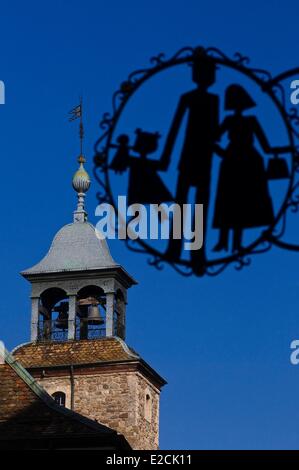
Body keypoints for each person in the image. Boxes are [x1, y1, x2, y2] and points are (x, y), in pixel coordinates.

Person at [160, 51, 219, 275]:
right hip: (191, 157)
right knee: (184, 203)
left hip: (202, 158)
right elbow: (175, 128)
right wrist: (166, 156)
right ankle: (176, 247)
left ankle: (196, 252)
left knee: (197, 205)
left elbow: (214, 133)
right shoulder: (189, 98)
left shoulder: (214, 100)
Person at [213, 84, 288, 252]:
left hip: (248, 162)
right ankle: (224, 241)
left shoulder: (250, 121)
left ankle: (235, 243)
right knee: (229, 199)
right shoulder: (229, 121)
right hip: (234, 161)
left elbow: (267, 147)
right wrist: (224, 154)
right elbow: (211, 141)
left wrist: (286, 150)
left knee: (242, 200)